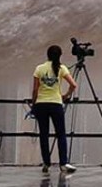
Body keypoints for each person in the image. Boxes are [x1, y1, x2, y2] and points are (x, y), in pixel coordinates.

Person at [32, 45, 79, 174]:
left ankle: (46, 163)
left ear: (47, 55)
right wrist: (66, 95)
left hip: (41, 104)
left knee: (44, 134)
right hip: (56, 104)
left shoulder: (39, 69)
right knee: (61, 134)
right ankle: (63, 163)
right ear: (59, 56)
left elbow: (35, 89)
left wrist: (34, 103)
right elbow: (73, 85)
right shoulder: (62, 68)